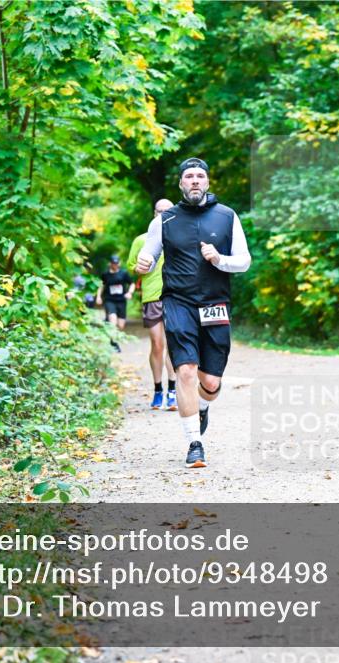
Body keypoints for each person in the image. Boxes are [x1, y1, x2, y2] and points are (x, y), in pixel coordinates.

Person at [135, 158, 251, 468]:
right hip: (178, 302)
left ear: (208, 182)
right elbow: (149, 252)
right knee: (185, 370)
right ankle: (194, 442)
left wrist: (219, 259)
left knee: (210, 381)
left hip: (215, 303)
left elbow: (244, 261)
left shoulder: (227, 216)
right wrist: (144, 262)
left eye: (201, 175)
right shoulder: (165, 220)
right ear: (181, 184)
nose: (196, 180)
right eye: (189, 176)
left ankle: (202, 405)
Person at [127, 199, 178, 411]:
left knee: (174, 345)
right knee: (157, 344)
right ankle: (158, 390)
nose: (164, 215)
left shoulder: (179, 236)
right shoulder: (142, 240)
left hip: (176, 297)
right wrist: (140, 268)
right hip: (152, 297)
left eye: (168, 211)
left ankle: (172, 391)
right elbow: (131, 266)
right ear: (154, 213)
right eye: (160, 211)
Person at [96, 255, 133, 352]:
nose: (115, 265)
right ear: (110, 264)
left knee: (121, 325)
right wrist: (99, 296)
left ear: (119, 263)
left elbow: (132, 284)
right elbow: (101, 285)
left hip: (121, 301)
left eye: (116, 263)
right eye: (113, 263)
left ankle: (109, 326)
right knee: (113, 320)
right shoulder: (105, 274)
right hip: (109, 300)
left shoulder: (123, 273)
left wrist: (129, 292)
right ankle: (113, 342)